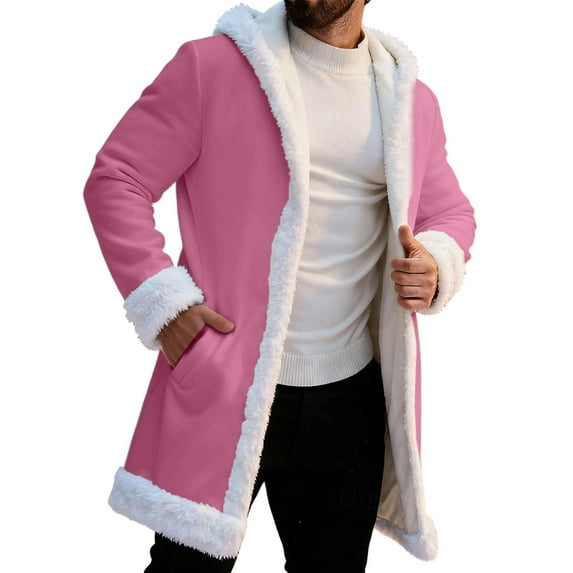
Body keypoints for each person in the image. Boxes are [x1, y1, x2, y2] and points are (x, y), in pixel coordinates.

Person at [84, 1, 476, 571]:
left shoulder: (409, 100)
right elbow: (118, 177)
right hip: (227, 384)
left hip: (349, 398)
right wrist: (165, 306)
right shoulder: (213, 67)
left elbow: (449, 212)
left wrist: (436, 263)